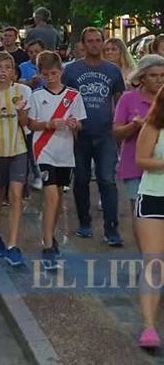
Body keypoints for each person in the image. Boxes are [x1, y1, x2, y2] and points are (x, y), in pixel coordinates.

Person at [62, 27, 126, 246]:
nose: (94, 45)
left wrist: (120, 129)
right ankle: (84, 223)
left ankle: (111, 228)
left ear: (103, 42)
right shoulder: (71, 71)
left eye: (98, 40)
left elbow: (119, 102)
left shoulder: (113, 71)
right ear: (83, 44)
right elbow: (65, 100)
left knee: (107, 180)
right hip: (80, 134)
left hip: (106, 133)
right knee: (80, 180)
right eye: (89, 41)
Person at [28, 51, 87, 271]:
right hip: (44, 150)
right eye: (46, 74)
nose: (51, 77)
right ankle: (48, 245)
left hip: (65, 152)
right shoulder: (36, 96)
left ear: (60, 72)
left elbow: (80, 123)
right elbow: (32, 124)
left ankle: (50, 236)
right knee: (51, 196)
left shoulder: (73, 96)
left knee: (58, 199)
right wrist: (50, 124)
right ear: (41, 74)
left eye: (54, 73)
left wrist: (73, 124)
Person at [0, 52, 32, 266]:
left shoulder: (22, 91)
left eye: (8, 67)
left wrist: (20, 113)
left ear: (13, 71)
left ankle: (13, 243)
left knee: (16, 194)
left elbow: (27, 123)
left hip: (18, 148)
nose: (3, 71)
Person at [113, 55, 164, 234]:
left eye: (163, 75)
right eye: (154, 75)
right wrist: (134, 126)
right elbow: (116, 133)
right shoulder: (128, 99)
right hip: (134, 164)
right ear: (142, 77)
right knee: (141, 216)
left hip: (161, 167)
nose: (159, 80)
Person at [134, 85, 164, 349]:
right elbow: (141, 159)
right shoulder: (154, 126)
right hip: (154, 197)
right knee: (154, 263)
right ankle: (149, 326)